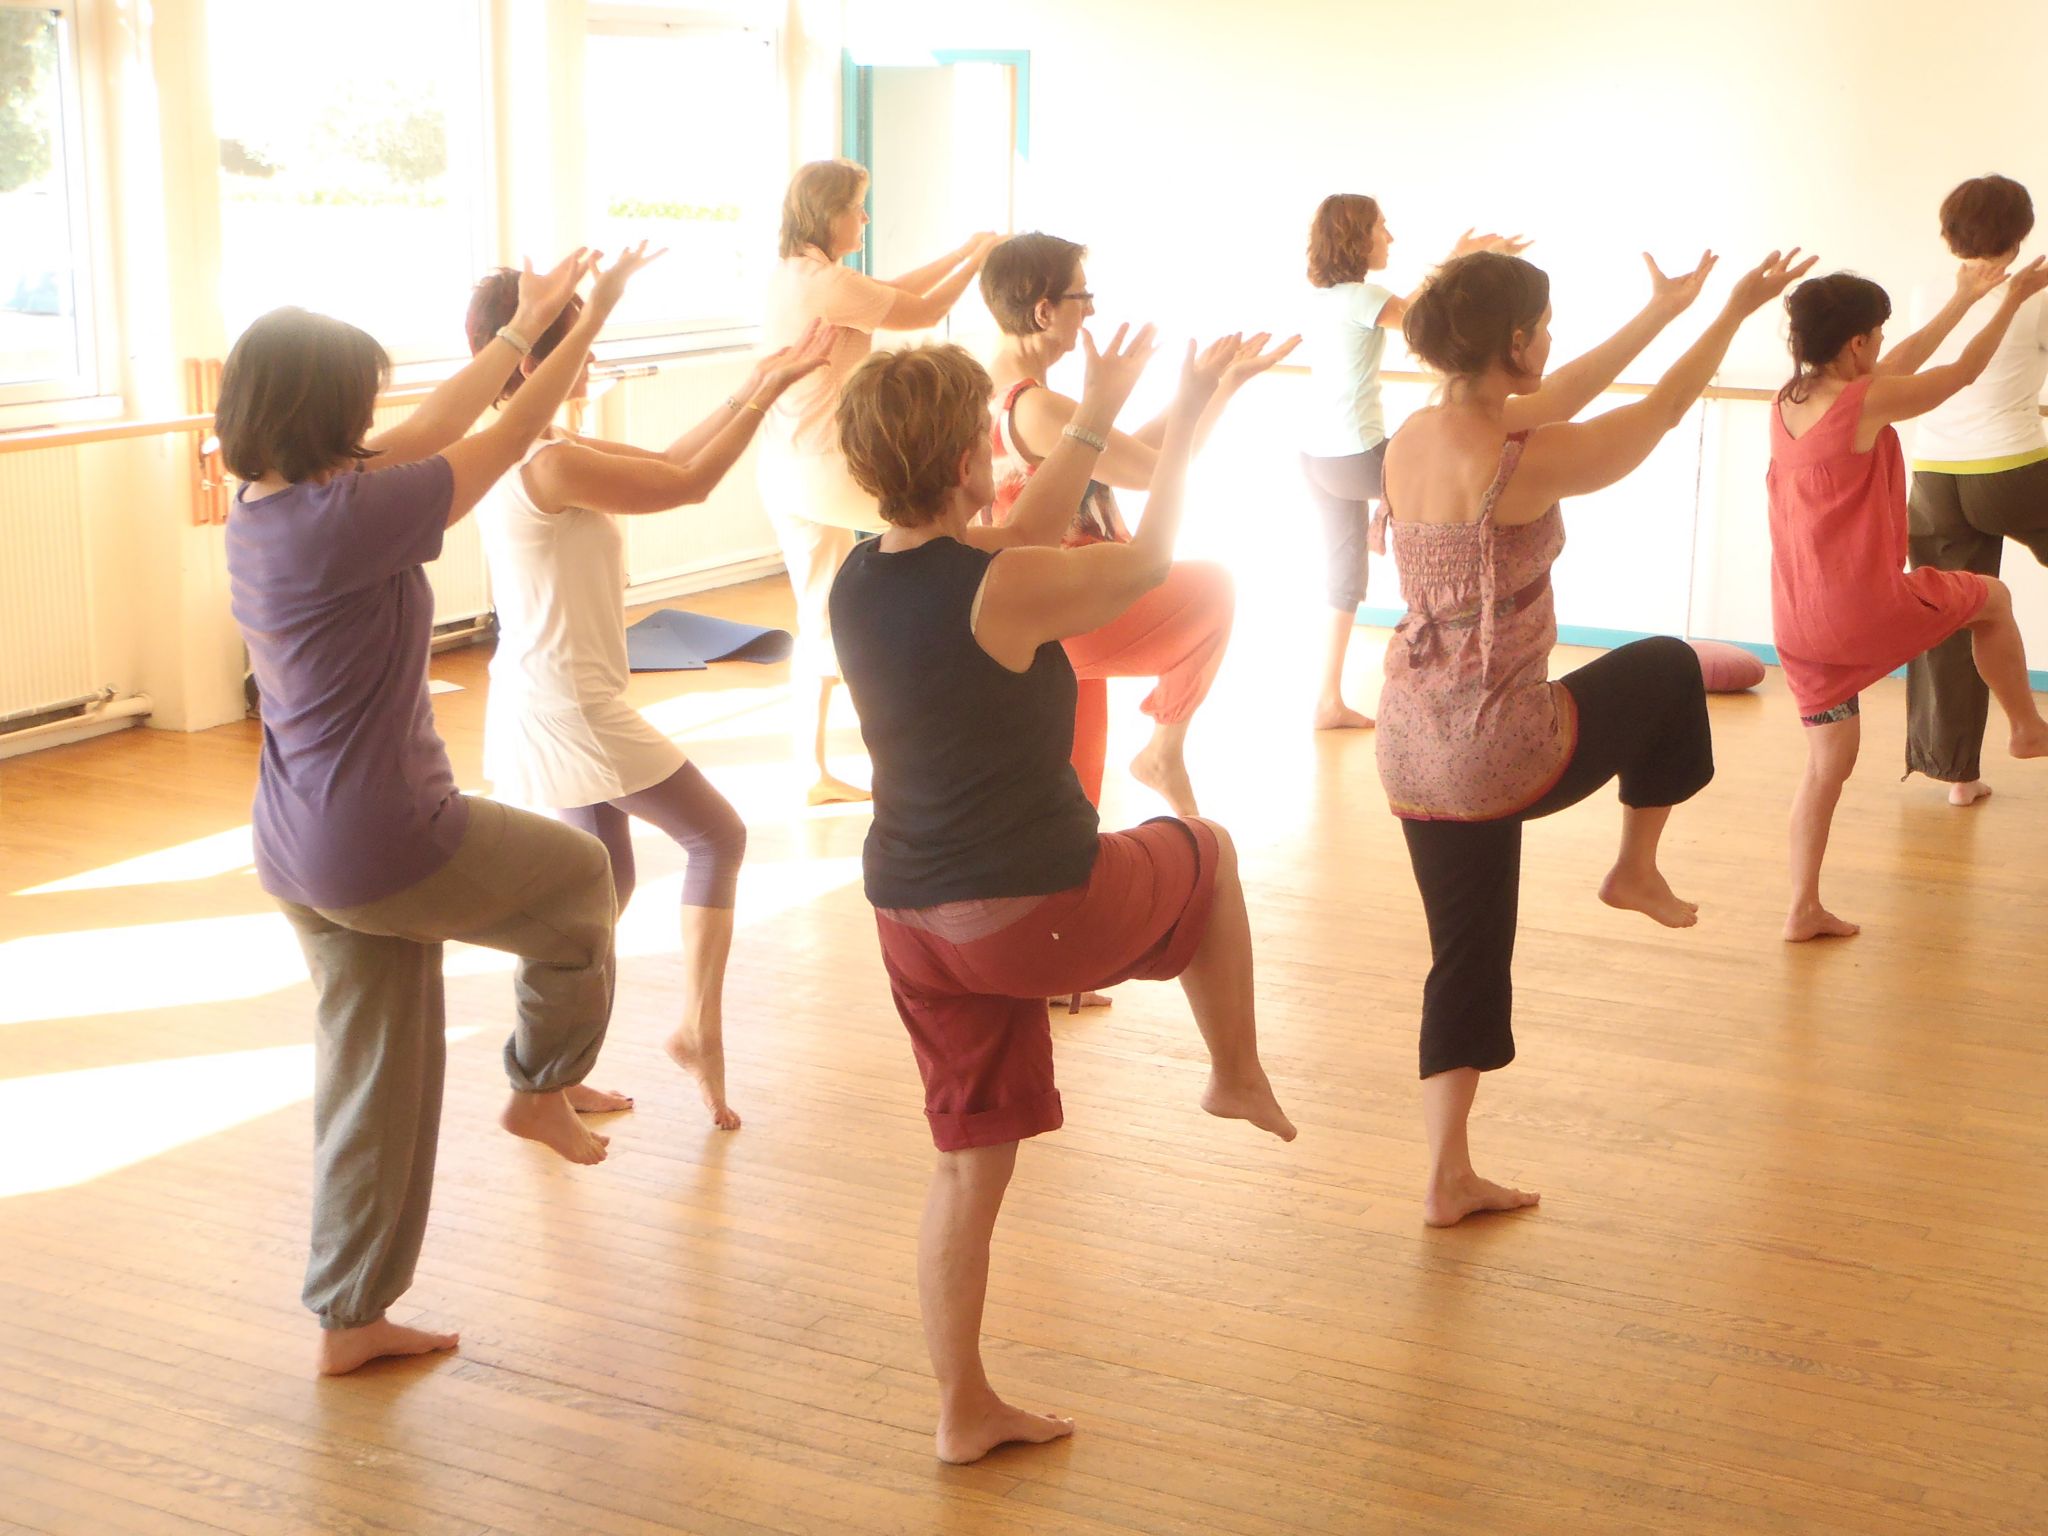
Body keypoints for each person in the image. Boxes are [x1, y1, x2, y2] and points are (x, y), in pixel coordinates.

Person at [828, 327, 1295, 1465]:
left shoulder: (860, 573)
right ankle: (1232, 1074)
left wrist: (1096, 409)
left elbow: (1022, 534)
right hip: (1026, 911)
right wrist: (1183, 414)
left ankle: (962, 1412)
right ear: (962, 461)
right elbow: (1145, 563)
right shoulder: (1001, 585)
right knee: (1209, 848)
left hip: (910, 922)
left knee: (966, 1164)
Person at [220, 244, 657, 1374]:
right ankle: (542, 1088)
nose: (379, 416)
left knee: (373, 1080)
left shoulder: (270, 505)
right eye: (359, 400)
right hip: (382, 839)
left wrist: (527, 328)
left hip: (295, 847)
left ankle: (349, 1319)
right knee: (579, 884)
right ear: (323, 415)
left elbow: (429, 428)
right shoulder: (345, 518)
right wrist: (575, 326)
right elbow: (500, 438)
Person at [1378, 246, 1812, 1227]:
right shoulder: (1516, 463)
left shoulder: (1412, 435)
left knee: (1465, 954)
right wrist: (1731, 313)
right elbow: (1654, 413)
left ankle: (1446, 1176)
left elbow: (1566, 390)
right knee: (1664, 666)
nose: (1554, 346)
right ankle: (1633, 867)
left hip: (1408, 742)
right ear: (1517, 340)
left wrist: (1661, 309)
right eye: (1546, 327)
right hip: (1498, 744)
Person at [464, 272, 835, 1129]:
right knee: (717, 835)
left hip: (551, 691)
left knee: (602, 887)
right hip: (569, 704)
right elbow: (691, 484)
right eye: (577, 341)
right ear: (527, 359)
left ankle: (544, 1080)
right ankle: (696, 1030)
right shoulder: (546, 462)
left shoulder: (540, 444)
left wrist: (755, 385)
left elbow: (673, 462)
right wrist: (765, 391)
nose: (591, 357)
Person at [1770, 259, 2048, 942]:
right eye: (1879, 336)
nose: (1885, 347)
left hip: (1799, 624)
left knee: (1826, 767)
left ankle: (1801, 908)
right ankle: (2026, 727)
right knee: (1993, 596)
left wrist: (1960, 297)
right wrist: (2010, 297)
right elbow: (1957, 376)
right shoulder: (1862, 405)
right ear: (1859, 343)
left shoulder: (1790, 401)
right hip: (1865, 611)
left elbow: (1905, 364)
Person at [980, 231, 1297, 815]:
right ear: (1045, 310)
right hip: (1072, 605)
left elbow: (1136, 454)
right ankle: (1163, 750)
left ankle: (1078, 870)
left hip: (1048, 605)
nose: (1092, 310)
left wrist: (1216, 390)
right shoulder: (1036, 406)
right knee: (1214, 591)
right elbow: (1155, 470)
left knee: (1077, 791)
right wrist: (1204, 393)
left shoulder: (999, 391)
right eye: (1083, 296)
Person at [756, 157, 1000, 804]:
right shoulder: (829, 284)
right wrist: (979, 261)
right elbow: (920, 311)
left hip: (783, 469)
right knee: (957, 527)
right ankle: (961, 703)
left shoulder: (795, 274)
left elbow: (886, 291)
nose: (864, 217)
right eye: (857, 206)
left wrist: (963, 249)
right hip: (831, 469)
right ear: (827, 213)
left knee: (816, 618)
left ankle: (812, 774)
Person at [1299, 194, 1527, 729]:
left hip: (1316, 457)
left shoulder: (1328, 298)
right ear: (1359, 236)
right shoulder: (1362, 296)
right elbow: (1426, 323)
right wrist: (1460, 260)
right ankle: (1448, 678)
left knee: (1345, 579)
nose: (1390, 238)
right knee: (1456, 513)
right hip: (1356, 452)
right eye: (1383, 228)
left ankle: (1327, 700)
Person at [1904, 175, 2048, 804]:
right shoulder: (2036, 290)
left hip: (1935, 475)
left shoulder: (1929, 290)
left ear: (1948, 231)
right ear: (2022, 232)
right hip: (2014, 469)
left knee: (1953, 618)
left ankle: (1957, 777)